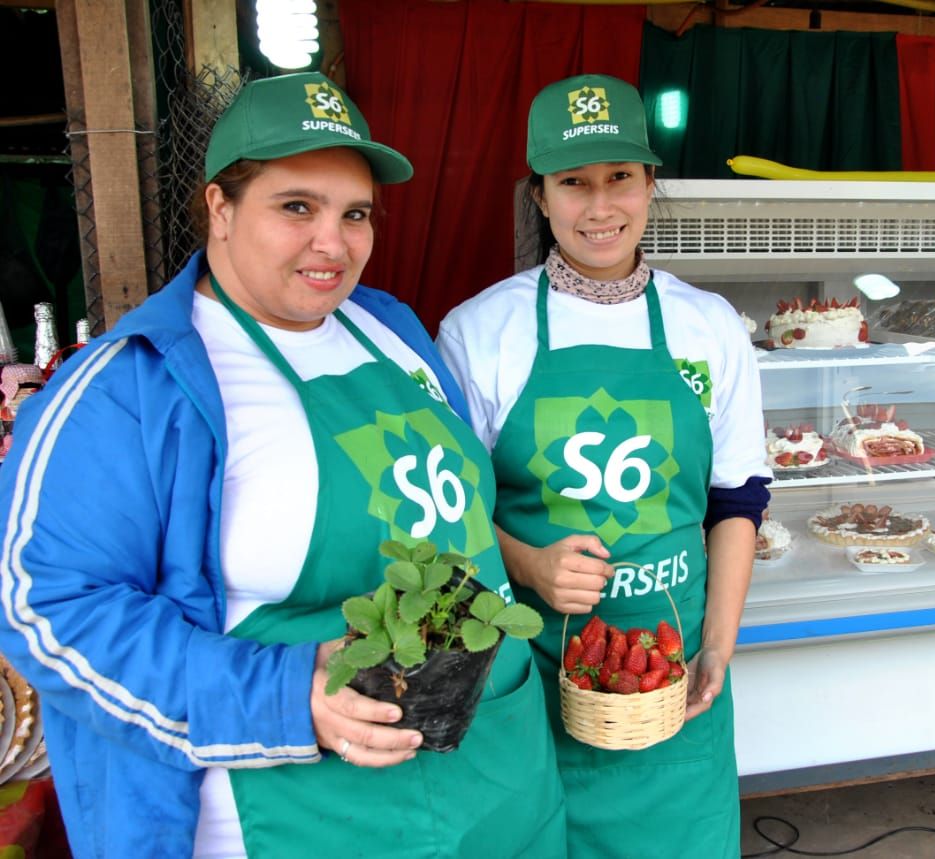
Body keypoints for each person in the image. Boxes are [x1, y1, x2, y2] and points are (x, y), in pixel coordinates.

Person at [0, 73, 565, 858]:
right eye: (296, 206)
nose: (332, 242)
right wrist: (287, 698)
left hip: (499, 781)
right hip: (304, 814)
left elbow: (455, 530)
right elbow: (49, 612)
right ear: (220, 208)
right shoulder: (130, 387)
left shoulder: (393, 329)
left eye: (355, 213)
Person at [438, 73, 771, 858]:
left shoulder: (708, 327)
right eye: (574, 183)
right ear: (541, 196)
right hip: (530, 684)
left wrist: (717, 644)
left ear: (651, 186)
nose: (599, 207)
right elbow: (450, 518)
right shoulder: (481, 331)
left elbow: (737, 500)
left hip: (676, 686)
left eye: (621, 177)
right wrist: (526, 561)